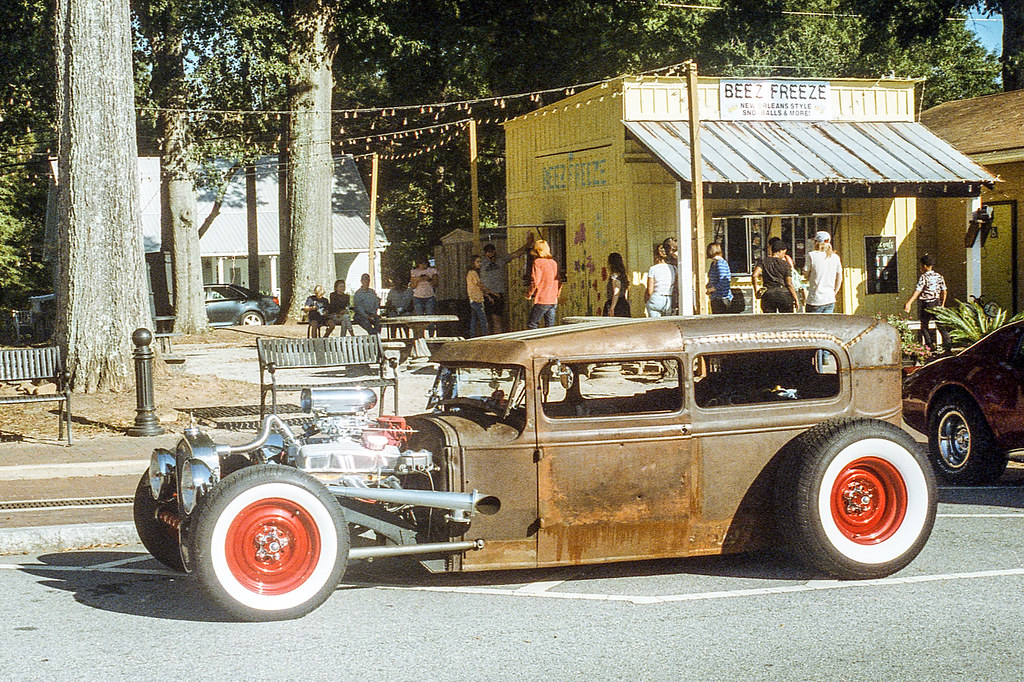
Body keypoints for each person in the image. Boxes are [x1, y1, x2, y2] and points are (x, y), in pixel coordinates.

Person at [480, 235, 533, 334]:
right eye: (488, 252)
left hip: (498, 293)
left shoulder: (501, 259)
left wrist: (527, 245)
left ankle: (498, 337)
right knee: (486, 319)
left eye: (492, 251)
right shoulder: (482, 263)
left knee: (497, 318)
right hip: (486, 294)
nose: (491, 253)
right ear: (485, 253)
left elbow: (515, 254)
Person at [904, 254, 949, 353]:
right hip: (937, 303)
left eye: (920, 265)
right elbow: (944, 291)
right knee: (941, 325)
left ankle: (930, 345)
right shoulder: (939, 276)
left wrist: (909, 302)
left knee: (924, 325)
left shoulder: (924, 277)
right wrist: (942, 304)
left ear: (924, 266)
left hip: (927, 304)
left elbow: (918, 290)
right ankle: (948, 345)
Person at [752, 238, 798, 313]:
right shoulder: (785, 264)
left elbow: (754, 275)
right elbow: (789, 284)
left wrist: (756, 291)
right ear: (780, 251)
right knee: (786, 321)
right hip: (783, 293)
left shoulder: (764, 261)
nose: (783, 255)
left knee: (769, 321)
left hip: (768, 294)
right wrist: (795, 298)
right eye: (783, 253)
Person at [803, 231, 843, 314]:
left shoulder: (812, 255)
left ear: (816, 242)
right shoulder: (835, 257)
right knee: (826, 325)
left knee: (813, 325)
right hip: (829, 298)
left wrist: (809, 277)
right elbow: (839, 277)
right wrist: (834, 292)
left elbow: (805, 273)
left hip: (815, 298)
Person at [526, 239, 561, 328]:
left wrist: (529, 294)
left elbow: (535, 281)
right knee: (550, 327)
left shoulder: (538, 262)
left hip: (542, 298)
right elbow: (559, 280)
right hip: (553, 299)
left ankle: (533, 342)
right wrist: (557, 294)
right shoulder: (553, 262)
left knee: (532, 324)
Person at [466, 255, 496, 337]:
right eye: (478, 262)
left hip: (476, 299)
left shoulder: (473, 273)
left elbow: (476, 288)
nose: (480, 264)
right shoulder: (473, 273)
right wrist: (492, 292)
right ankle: (485, 336)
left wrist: (487, 295)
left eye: (480, 262)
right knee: (483, 320)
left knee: (474, 320)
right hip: (476, 300)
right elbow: (479, 285)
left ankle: (472, 336)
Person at [645, 243, 675, 318]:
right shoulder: (674, 268)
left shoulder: (653, 269)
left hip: (656, 297)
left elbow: (649, 290)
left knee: (654, 324)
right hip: (668, 298)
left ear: (656, 256)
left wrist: (646, 299)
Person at [705, 242, 734, 314]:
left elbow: (723, 282)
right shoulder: (714, 263)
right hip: (715, 297)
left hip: (722, 298)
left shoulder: (720, 263)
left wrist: (711, 289)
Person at [602, 252, 631, 317]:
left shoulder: (615, 276)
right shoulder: (624, 275)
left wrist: (612, 308)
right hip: (623, 303)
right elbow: (626, 291)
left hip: (615, 304)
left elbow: (616, 293)